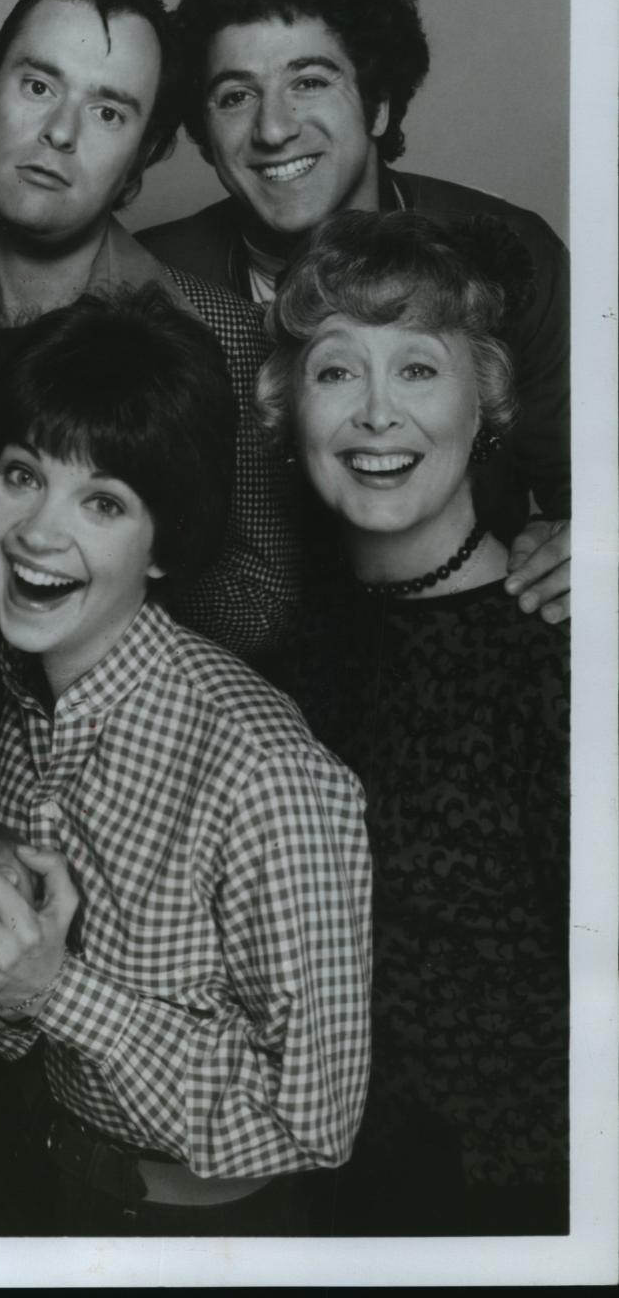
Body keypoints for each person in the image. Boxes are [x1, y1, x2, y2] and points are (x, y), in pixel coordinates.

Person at [0, 287, 373, 1238]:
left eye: (105, 501)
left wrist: (55, 991)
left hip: (189, 1230)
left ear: (165, 545)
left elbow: (314, 1123)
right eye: (22, 475)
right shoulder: (1, 688)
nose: (41, 531)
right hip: (19, 1168)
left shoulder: (264, 773)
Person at [255, 209, 569, 1235]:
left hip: (512, 1209)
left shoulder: (563, 653)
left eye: (420, 371)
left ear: (488, 401)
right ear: (289, 414)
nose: (376, 415)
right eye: (338, 371)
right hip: (317, 1198)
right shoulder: (281, 661)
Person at [138, 0, 570, 622]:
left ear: (379, 106)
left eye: (309, 81)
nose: (273, 128)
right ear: (205, 137)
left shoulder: (512, 256)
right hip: (239, 670)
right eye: (235, 96)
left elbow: (594, 487)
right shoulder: (151, 278)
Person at [0, 0, 301, 662]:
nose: (59, 132)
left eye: (107, 111)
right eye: (37, 86)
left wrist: (109, 557)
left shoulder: (219, 335)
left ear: (142, 158)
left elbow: (260, 600)